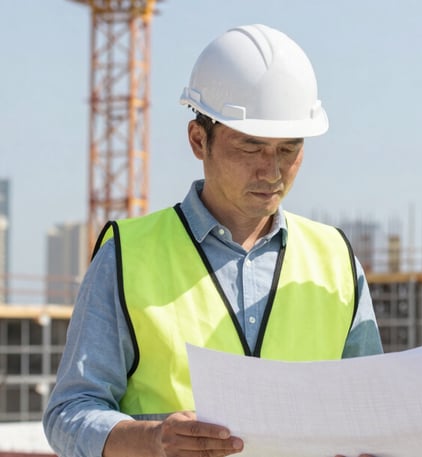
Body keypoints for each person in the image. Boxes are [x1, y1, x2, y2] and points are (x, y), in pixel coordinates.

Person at [43, 24, 383, 457]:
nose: (272, 171)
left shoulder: (335, 259)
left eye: (288, 149)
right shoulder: (127, 255)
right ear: (198, 140)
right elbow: (68, 413)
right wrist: (153, 440)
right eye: (251, 147)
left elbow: (373, 411)